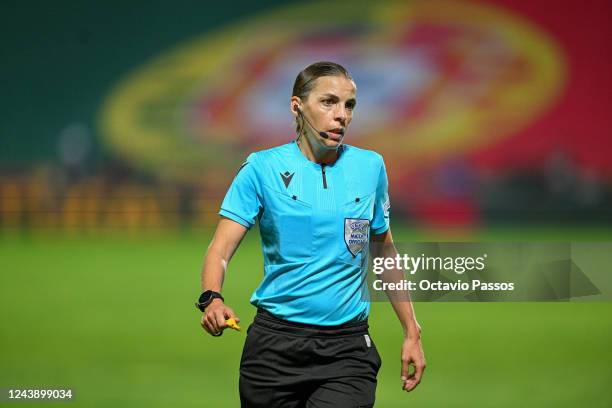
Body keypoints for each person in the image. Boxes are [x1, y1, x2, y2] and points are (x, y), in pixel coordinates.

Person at [197, 61, 425, 407]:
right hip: (273, 349)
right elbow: (220, 249)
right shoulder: (262, 168)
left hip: (347, 351)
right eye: (328, 102)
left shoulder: (371, 167)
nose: (342, 115)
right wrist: (211, 297)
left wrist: (412, 330)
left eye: (349, 105)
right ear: (297, 106)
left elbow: (385, 254)